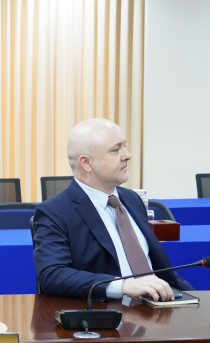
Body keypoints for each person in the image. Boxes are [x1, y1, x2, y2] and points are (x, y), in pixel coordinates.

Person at [33, 118, 192, 301]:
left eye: (125, 146)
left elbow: (156, 269)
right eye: (115, 150)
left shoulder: (131, 199)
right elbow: (52, 274)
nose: (127, 155)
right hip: (107, 312)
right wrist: (121, 286)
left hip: (158, 306)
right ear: (86, 163)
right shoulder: (54, 212)